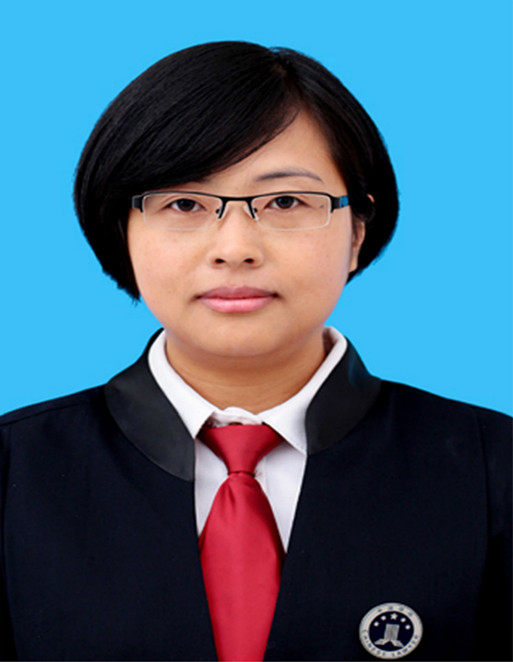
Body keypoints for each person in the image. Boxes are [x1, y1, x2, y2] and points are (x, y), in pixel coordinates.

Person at [0, 41, 510, 662]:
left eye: (285, 202)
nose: (235, 247)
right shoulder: (12, 471)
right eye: (184, 203)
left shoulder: (493, 468)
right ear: (121, 231)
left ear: (357, 229)